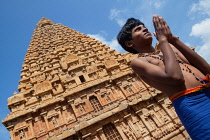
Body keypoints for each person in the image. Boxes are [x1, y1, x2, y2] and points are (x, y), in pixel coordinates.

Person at [117, 15, 210, 139]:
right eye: (138, 30)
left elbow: (206, 70)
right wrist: (163, 40)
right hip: (193, 104)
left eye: (144, 27)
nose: (144, 29)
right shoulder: (140, 62)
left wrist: (173, 40)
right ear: (129, 43)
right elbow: (175, 78)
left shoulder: (171, 49)